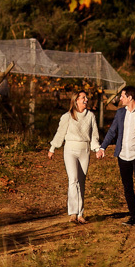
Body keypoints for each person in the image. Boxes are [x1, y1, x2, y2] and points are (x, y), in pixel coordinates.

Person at [96, 86, 135, 227]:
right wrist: (102, 147)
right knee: (127, 186)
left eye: (122, 96)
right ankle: (133, 215)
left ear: (130, 97)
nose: (120, 99)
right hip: (123, 155)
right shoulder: (120, 114)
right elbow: (112, 131)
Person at [47, 90, 101, 223]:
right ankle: (72, 213)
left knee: (81, 182)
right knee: (73, 179)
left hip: (85, 150)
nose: (86, 100)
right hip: (70, 150)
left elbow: (94, 135)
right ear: (76, 100)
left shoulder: (90, 116)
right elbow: (60, 133)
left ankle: (80, 214)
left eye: (86, 97)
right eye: (83, 98)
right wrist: (53, 148)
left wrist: (97, 149)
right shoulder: (67, 116)